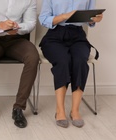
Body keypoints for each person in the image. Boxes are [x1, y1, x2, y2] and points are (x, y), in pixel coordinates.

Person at [39, 0, 103, 128]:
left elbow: (89, 18)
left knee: (80, 61)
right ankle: (60, 111)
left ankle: (75, 110)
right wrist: (64, 16)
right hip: (54, 36)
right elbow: (43, 19)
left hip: (78, 35)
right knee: (63, 60)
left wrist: (94, 19)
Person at [0, 0, 39, 128]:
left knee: (33, 57)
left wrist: (18, 27)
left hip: (16, 39)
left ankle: (19, 108)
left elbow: (30, 23)